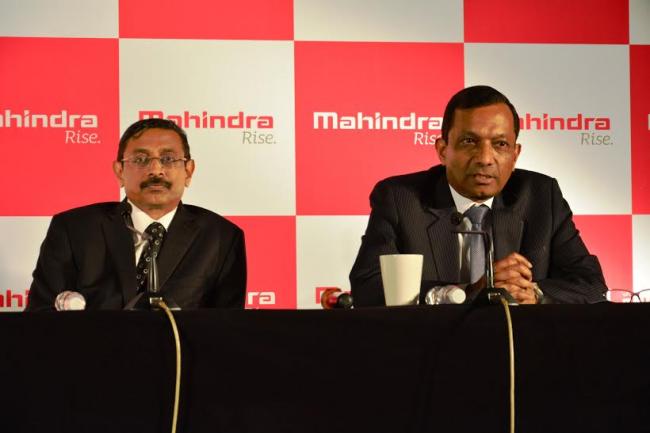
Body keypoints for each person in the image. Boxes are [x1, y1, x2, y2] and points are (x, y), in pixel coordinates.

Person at [350, 85, 607, 306]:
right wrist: (468, 292)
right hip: (433, 344)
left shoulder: (541, 196)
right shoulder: (400, 199)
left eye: (500, 144)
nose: (485, 159)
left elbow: (592, 286)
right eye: (469, 142)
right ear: (443, 150)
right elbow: (368, 287)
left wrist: (533, 293)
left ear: (515, 154)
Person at [26, 118, 246, 310]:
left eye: (168, 159)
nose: (155, 170)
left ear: (188, 171)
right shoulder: (74, 229)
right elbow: (41, 317)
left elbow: (226, 329)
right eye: (140, 159)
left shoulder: (221, 237)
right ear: (120, 171)